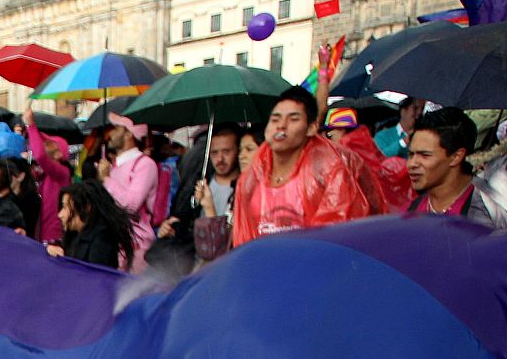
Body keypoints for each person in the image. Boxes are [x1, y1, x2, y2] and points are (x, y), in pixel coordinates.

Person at [231, 86, 374, 247]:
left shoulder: (328, 175)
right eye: (275, 119)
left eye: (293, 119)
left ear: (311, 128)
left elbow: (336, 241)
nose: (281, 126)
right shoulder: (250, 180)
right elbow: (243, 243)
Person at [152, 124, 243, 274]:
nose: (220, 159)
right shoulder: (199, 184)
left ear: (237, 151)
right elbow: (185, 225)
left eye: (226, 151)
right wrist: (169, 228)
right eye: (214, 152)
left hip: (228, 268)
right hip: (196, 269)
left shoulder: (243, 187)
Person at [406, 107, 503, 226]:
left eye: (425, 155)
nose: (412, 164)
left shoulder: (492, 212)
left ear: (456, 156)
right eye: (410, 154)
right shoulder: (412, 210)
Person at [97, 113, 157, 270]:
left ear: (129, 133)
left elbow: (131, 204)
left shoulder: (145, 165)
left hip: (137, 248)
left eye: (117, 128)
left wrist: (106, 179)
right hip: (116, 244)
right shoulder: (116, 166)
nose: (111, 133)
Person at [46, 180, 135, 269]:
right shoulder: (74, 235)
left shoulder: (101, 243)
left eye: (65, 207)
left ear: (86, 208)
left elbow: (93, 278)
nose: (60, 214)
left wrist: (63, 261)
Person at [24, 109, 74, 245]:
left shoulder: (62, 172)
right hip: (39, 235)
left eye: (50, 143)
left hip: (53, 238)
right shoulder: (42, 174)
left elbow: (40, 155)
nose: (44, 144)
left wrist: (30, 125)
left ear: (59, 154)